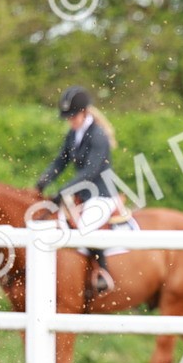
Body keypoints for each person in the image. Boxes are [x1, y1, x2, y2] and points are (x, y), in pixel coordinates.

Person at [35, 85, 120, 293]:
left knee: (85, 226)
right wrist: (41, 182)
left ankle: (103, 271)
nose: (69, 120)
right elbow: (59, 163)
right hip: (83, 194)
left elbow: (90, 171)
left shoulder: (98, 135)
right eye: (68, 117)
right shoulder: (73, 135)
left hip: (102, 194)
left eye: (72, 116)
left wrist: (63, 191)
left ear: (84, 112)